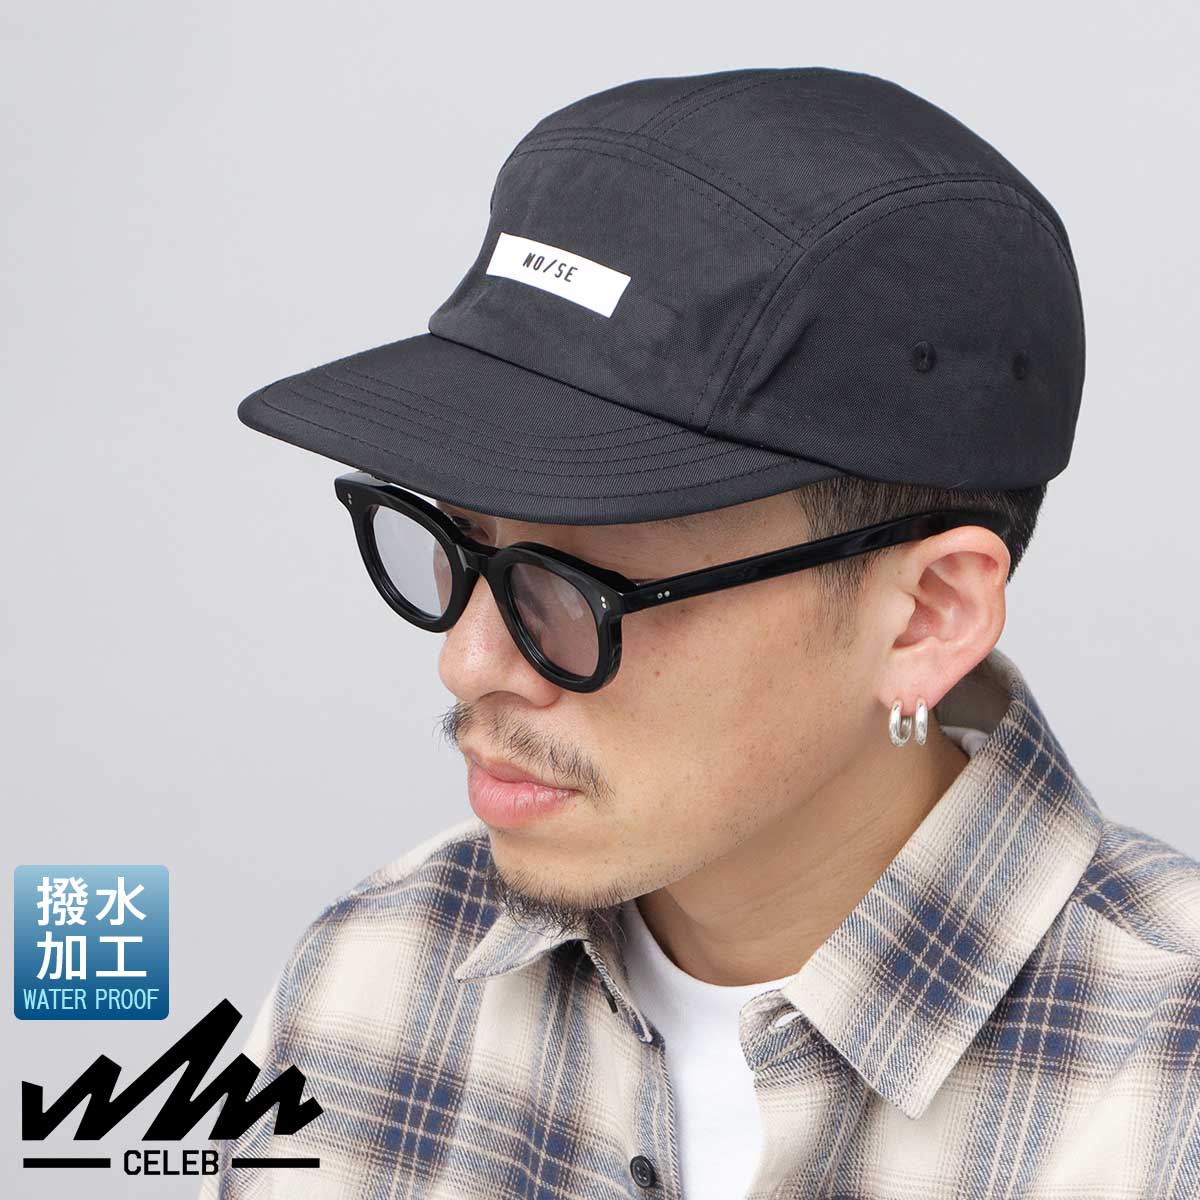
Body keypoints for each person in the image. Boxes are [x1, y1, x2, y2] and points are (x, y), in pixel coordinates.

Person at [202, 67, 1200, 1199]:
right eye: (457, 541)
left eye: (577, 585)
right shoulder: (371, 984)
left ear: (927, 617)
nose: (467, 661)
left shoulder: (1163, 1099)